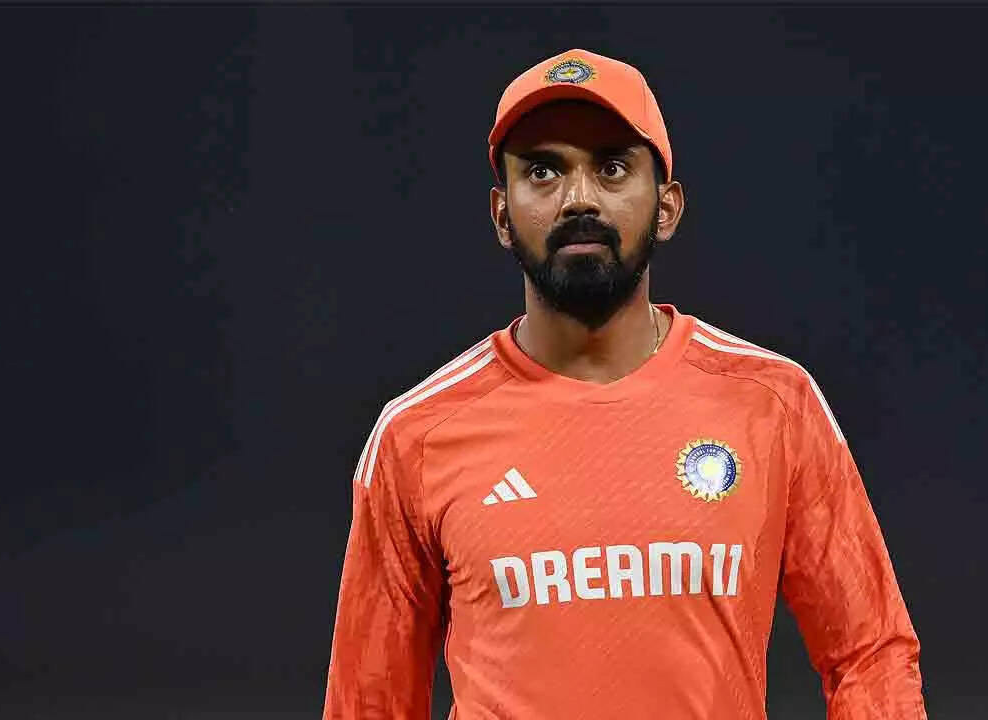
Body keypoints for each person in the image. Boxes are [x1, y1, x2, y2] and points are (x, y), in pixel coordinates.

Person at [322, 48, 928, 720]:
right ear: (501, 215)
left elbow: (870, 654)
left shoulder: (774, 404)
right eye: (543, 171)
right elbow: (368, 700)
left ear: (666, 207)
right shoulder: (416, 434)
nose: (578, 198)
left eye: (611, 167)